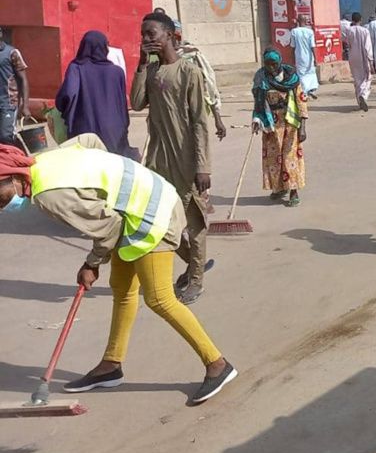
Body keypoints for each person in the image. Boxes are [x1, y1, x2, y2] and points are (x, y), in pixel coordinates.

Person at [0, 135, 236, 403]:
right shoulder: (43, 160)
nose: (1, 205)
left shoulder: (49, 196)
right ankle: (111, 366)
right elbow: (90, 141)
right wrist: (113, 182)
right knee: (122, 289)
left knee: (159, 298)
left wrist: (92, 264)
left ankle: (217, 364)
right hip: (135, 209)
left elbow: (108, 228)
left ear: (13, 177)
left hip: (153, 214)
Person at [130, 12, 211, 305]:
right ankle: (194, 263)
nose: (146, 39)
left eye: (151, 34)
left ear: (169, 36)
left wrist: (203, 166)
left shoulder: (189, 72)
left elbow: (200, 121)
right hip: (158, 160)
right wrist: (140, 65)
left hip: (187, 159)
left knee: (193, 222)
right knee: (159, 222)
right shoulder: (151, 72)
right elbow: (136, 102)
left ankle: (197, 280)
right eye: (143, 35)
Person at [54, 31, 133, 157]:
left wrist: (62, 110)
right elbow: (122, 104)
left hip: (85, 128)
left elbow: (67, 95)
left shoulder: (76, 67)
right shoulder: (117, 72)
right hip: (115, 130)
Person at [251, 48, 308, 207]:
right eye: (267, 64)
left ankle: (293, 191)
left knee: (290, 157)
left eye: (274, 64)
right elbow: (258, 101)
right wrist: (256, 119)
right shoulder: (261, 77)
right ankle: (278, 187)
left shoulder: (291, 78)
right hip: (271, 123)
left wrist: (302, 127)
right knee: (273, 157)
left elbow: (301, 101)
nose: (271, 68)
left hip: (289, 122)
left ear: (280, 62)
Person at [174, 22, 228, 140]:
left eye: (178, 37)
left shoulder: (192, 54)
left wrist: (218, 119)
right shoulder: (159, 59)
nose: (176, 41)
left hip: (192, 112)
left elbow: (208, 88)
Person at [0, 26, 30, 146]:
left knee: (6, 135)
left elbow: (24, 80)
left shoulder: (12, 53)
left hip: (9, 102)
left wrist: (26, 105)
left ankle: (16, 159)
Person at [346, 12, 374, 112]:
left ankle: (359, 101)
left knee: (357, 79)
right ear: (360, 20)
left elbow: (348, 44)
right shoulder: (365, 31)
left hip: (353, 57)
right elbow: (368, 47)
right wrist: (371, 61)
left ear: (352, 20)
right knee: (367, 77)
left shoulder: (348, 30)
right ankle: (363, 95)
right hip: (363, 57)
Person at [291, 15, 319, 100]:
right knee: (311, 73)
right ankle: (311, 90)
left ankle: (305, 92)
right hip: (309, 57)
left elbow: (292, 46)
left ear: (297, 21)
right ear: (305, 21)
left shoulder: (294, 31)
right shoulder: (310, 31)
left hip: (299, 57)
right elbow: (313, 46)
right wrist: (315, 59)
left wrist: (292, 58)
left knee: (301, 75)